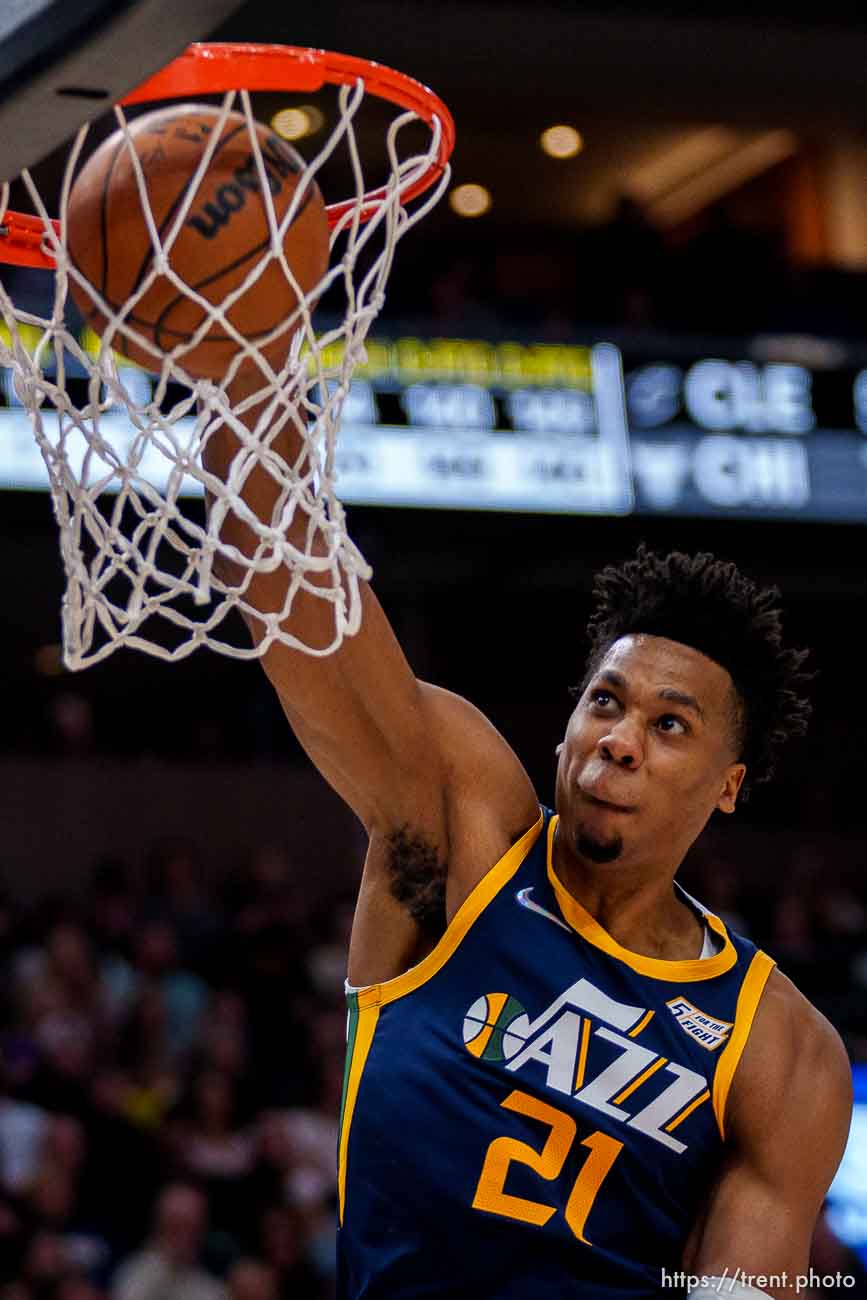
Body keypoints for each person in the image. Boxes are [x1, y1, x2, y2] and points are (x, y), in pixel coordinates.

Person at [203, 380, 852, 1299]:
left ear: (729, 786)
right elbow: (313, 628)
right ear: (567, 728)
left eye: (670, 727)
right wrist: (247, 400)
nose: (620, 740)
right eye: (605, 701)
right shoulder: (464, 836)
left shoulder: (777, 1046)